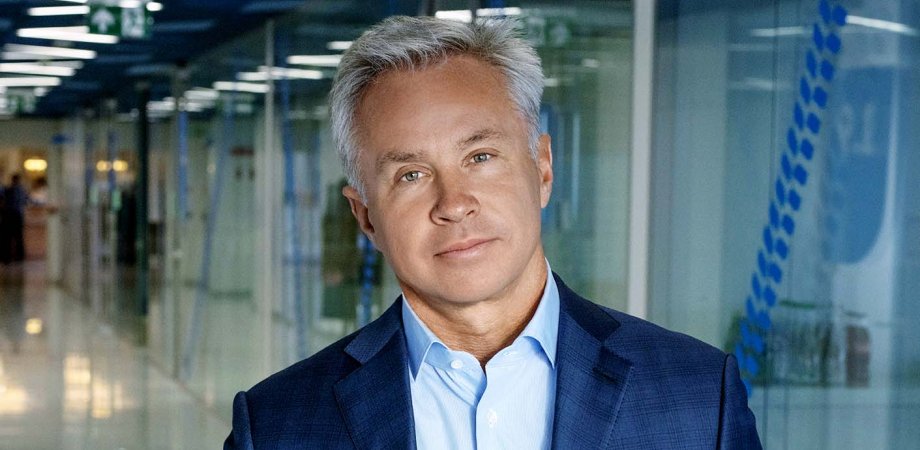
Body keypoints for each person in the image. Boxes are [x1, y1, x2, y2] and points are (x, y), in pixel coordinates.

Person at [225, 16, 761, 449]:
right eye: (411, 175)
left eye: (480, 156)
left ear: (543, 168)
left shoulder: (697, 397)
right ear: (365, 217)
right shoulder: (276, 426)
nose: (454, 204)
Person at [1, 174, 28, 263]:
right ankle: (19, 257)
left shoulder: (7, 190)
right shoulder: (22, 191)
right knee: (18, 237)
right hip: (18, 216)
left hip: (8, 216)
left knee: (7, 238)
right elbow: (28, 201)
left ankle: (7, 257)